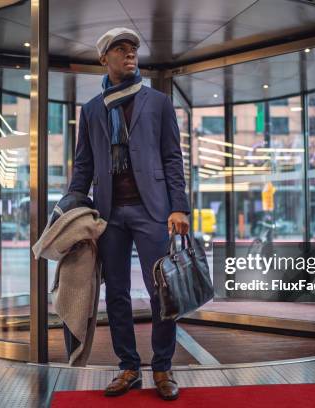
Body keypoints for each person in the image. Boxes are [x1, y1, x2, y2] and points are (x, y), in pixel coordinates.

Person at [68, 27, 190, 400]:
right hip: (109, 214)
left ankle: (163, 367)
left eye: (133, 48)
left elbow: (172, 158)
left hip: (152, 210)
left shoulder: (158, 102)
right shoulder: (91, 111)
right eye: (120, 49)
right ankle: (128, 367)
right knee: (116, 293)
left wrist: (179, 206)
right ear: (104, 58)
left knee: (162, 292)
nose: (130, 53)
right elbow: (83, 167)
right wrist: (69, 207)